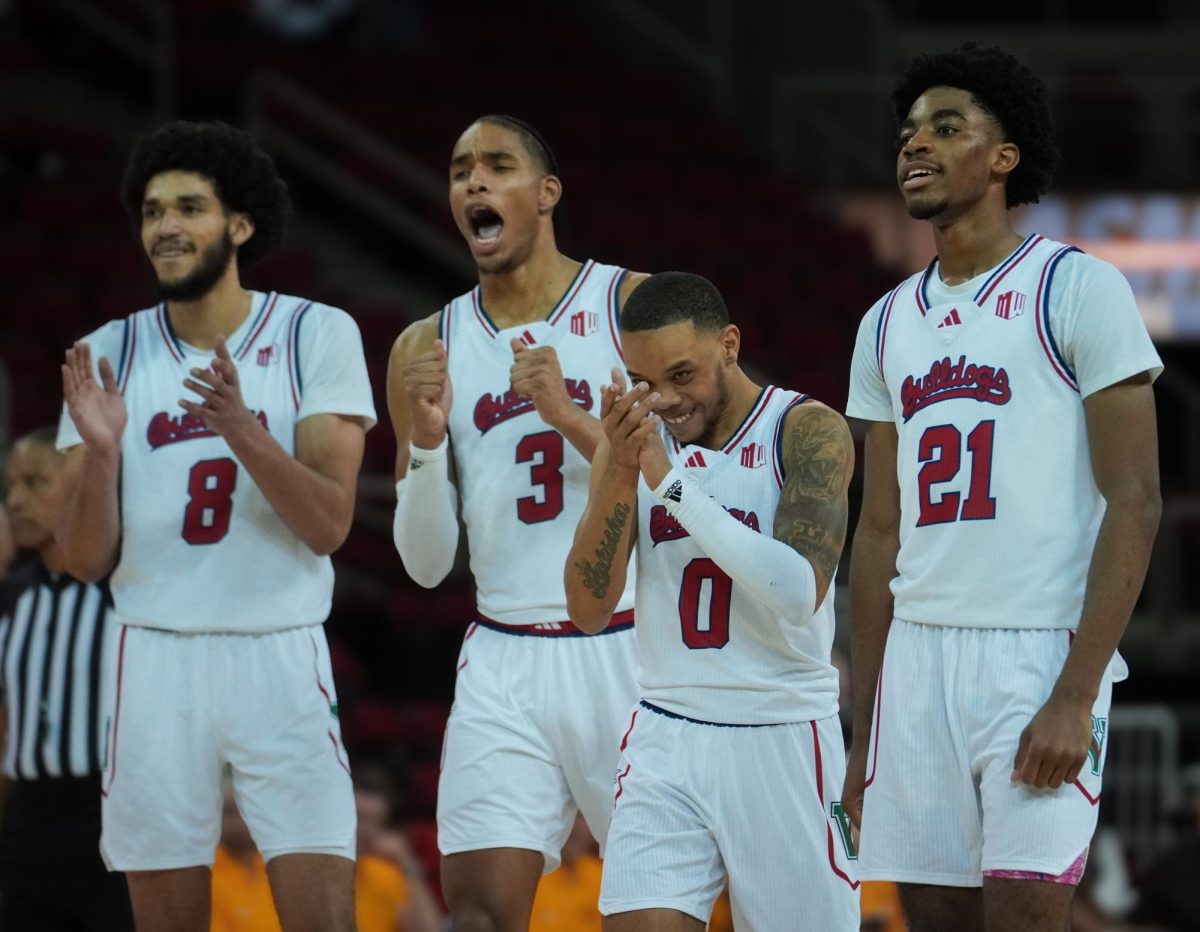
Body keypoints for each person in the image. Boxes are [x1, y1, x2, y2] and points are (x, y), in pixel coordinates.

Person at [843, 44, 1162, 932]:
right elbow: (876, 536)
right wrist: (864, 722)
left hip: (1037, 654)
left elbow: (1135, 502)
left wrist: (1075, 691)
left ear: (1004, 156)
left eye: (947, 129)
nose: (916, 146)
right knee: (936, 920)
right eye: (908, 133)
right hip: (917, 658)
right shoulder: (884, 323)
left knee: (1025, 918)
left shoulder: (1079, 287)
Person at [57, 120, 377, 932]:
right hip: (154, 657)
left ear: (239, 225)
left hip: (280, 649)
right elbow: (85, 560)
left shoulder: (317, 333)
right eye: (152, 211)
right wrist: (97, 455)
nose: (164, 227)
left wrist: (242, 428)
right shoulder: (105, 352)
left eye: (188, 207)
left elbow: (329, 525)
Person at [387, 114, 647, 931]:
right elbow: (426, 566)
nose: (474, 182)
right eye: (461, 168)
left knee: (661, 912)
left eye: (497, 165)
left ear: (546, 194)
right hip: (504, 654)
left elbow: (686, 492)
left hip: (634, 646)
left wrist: (570, 417)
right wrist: (426, 448)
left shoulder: (633, 305)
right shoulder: (425, 345)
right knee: (477, 917)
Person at [565, 271, 860, 931]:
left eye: (682, 374)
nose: (665, 399)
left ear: (729, 344)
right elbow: (587, 609)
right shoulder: (633, 445)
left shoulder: (805, 430)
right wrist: (617, 471)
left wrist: (669, 484)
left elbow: (796, 593)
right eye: (645, 381)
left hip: (780, 732)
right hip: (667, 731)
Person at [0, 427, 134, 931]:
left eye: (36, 482)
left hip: (110, 817)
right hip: (25, 825)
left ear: (83, 481)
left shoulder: (128, 592)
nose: (16, 501)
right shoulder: (10, 598)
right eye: (12, 485)